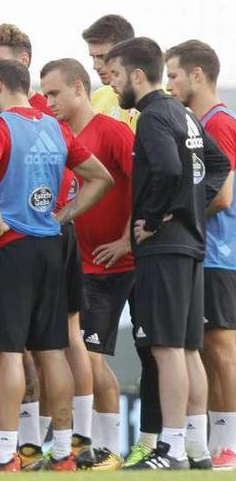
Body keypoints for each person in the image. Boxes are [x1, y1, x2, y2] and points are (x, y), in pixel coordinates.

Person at [0, 60, 113, 472]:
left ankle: (4, 454)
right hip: (52, 247)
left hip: (10, 248)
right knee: (53, 351)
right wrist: (63, 215)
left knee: (9, 353)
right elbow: (100, 178)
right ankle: (64, 452)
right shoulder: (56, 127)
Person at [106, 36, 229, 470]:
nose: (114, 83)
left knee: (167, 348)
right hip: (191, 246)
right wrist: (192, 205)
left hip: (166, 247)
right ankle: (195, 449)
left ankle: (171, 449)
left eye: (116, 74)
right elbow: (217, 166)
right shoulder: (184, 114)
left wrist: (157, 217)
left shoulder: (157, 115)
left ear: (137, 76)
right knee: (188, 349)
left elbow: (170, 169)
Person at [40, 58, 135, 470]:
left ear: (80, 88)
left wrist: (125, 240)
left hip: (112, 264)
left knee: (92, 357)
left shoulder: (113, 131)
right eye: (44, 94)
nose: (48, 101)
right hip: (74, 263)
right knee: (69, 353)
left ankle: (109, 448)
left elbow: (145, 187)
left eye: (54, 93)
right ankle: (77, 443)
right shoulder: (55, 135)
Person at [83, 14, 165, 468]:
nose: (98, 68)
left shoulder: (155, 103)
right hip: (103, 256)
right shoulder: (99, 99)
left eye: (104, 59)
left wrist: (127, 237)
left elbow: (146, 178)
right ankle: (102, 447)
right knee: (90, 349)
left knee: (154, 347)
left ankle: (157, 441)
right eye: (93, 58)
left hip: (144, 249)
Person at [165, 39, 236, 471]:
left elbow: (223, 194)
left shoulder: (219, 123)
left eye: (173, 75)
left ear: (197, 75)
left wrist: (175, 216)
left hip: (220, 252)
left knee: (221, 348)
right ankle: (213, 439)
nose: (168, 83)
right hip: (203, 252)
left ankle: (229, 442)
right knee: (205, 349)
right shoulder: (198, 121)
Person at [81, 15, 139, 129]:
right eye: (93, 57)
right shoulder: (98, 96)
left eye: (103, 57)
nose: (96, 66)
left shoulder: (161, 102)